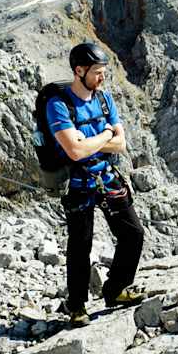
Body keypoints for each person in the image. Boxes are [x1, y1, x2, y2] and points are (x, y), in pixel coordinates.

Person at [49, 42, 145, 326]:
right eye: (97, 72)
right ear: (79, 71)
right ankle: (77, 305)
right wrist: (105, 135)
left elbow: (121, 144)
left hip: (105, 176)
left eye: (104, 71)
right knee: (81, 244)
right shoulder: (59, 105)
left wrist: (89, 141)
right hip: (77, 183)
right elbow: (74, 151)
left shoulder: (104, 100)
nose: (102, 77)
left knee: (133, 233)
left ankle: (116, 289)